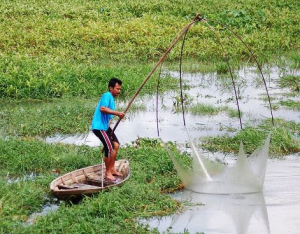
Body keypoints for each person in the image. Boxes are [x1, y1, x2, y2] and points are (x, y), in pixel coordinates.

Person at [91, 78, 125, 181]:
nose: (119, 91)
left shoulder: (112, 100)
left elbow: (108, 116)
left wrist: (111, 120)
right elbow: (103, 109)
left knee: (116, 145)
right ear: (111, 88)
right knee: (109, 148)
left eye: (120, 89)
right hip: (99, 127)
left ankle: (112, 169)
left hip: (105, 127)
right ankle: (107, 173)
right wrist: (117, 113)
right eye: (117, 89)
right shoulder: (107, 95)